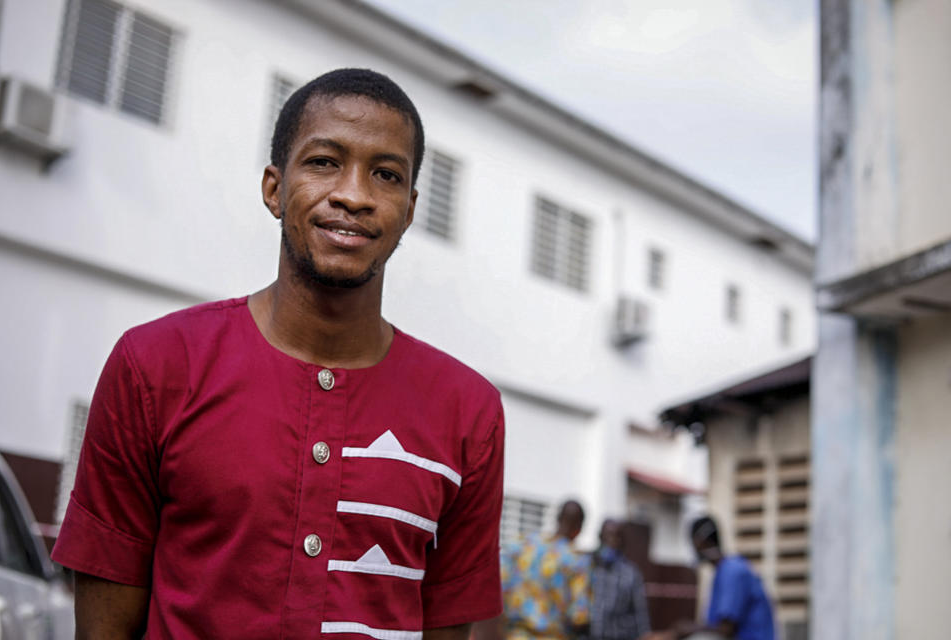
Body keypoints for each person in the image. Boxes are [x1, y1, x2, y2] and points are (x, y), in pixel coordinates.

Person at [51, 68, 506, 639]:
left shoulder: (468, 411)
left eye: (386, 174)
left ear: (409, 210)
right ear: (274, 188)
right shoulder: (156, 366)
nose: (354, 195)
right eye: (323, 162)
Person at [669, 516, 774, 640]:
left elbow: (726, 629)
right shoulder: (723, 571)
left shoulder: (733, 572)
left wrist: (689, 629)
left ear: (700, 541)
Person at [501, 500, 591, 640]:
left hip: (514, 634)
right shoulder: (576, 561)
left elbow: (500, 586)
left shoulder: (522, 544)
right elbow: (579, 616)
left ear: (557, 518)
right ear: (579, 528)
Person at [589, 519, 651, 640]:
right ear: (600, 537)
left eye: (617, 536)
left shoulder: (631, 573)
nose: (612, 541)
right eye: (608, 536)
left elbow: (640, 613)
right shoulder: (587, 566)